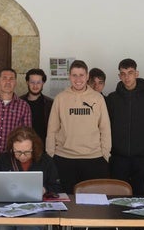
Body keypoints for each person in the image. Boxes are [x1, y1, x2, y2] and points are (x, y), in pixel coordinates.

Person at [106, 58, 144, 230]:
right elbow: (106, 125)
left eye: (130, 73)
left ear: (136, 73)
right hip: (118, 156)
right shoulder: (112, 98)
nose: (127, 77)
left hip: (141, 156)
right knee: (117, 195)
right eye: (123, 73)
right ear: (119, 76)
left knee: (139, 197)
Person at [46, 59, 111, 194]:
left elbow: (105, 128)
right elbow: (52, 129)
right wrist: (51, 154)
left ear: (87, 77)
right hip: (64, 158)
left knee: (92, 207)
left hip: (93, 159)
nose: (78, 79)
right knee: (67, 202)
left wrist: (105, 154)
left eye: (81, 75)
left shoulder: (98, 98)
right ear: (69, 77)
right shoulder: (60, 98)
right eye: (74, 75)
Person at [19, 68, 53, 144]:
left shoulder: (50, 104)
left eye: (38, 82)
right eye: (32, 82)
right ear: (27, 82)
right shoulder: (18, 102)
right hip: (23, 147)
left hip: (45, 149)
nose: (35, 86)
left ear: (43, 83)